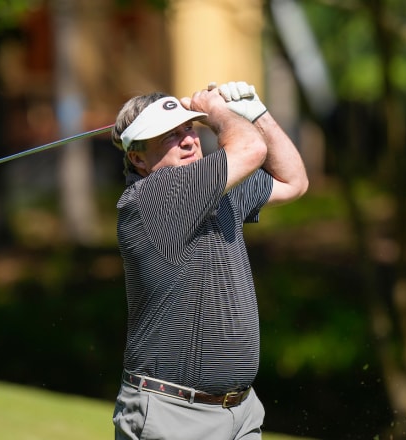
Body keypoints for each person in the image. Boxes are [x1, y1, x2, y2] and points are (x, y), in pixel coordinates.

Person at [110, 81, 309, 440]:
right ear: (138, 159)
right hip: (174, 416)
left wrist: (258, 115)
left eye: (189, 127)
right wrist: (218, 112)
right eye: (169, 136)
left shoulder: (217, 188)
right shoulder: (153, 196)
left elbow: (294, 181)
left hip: (241, 413)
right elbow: (249, 149)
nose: (188, 140)